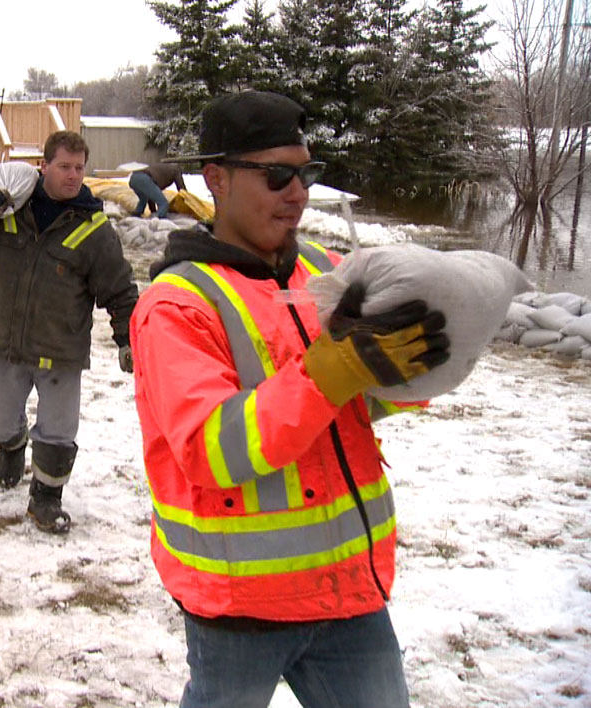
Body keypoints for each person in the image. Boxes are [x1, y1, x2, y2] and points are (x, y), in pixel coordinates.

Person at [129, 91, 452, 708]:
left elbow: (351, 406)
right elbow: (213, 450)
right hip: (241, 602)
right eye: (277, 175)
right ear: (216, 180)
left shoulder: (326, 272)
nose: (297, 192)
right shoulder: (176, 305)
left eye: (305, 172)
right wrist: (329, 374)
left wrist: (409, 372)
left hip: (349, 587)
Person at [0, 130, 139, 534]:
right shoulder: (7, 211)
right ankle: (10, 444)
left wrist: (127, 339)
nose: (72, 176)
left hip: (60, 347)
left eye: (79, 168)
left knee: (59, 430)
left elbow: (119, 288)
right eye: (64, 166)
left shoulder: (94, 229)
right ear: (43, 166)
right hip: (2, 339)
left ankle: (46, 500)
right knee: (0, 421)